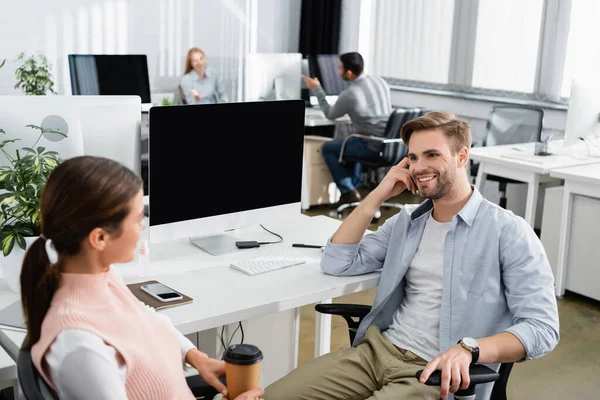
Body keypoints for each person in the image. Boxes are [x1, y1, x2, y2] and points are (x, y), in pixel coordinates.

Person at [263, 112, 559, 400]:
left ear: (462, 157)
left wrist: (470, 348)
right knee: (272, 396)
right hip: (376, 353)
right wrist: (377, 195)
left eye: (432, 155)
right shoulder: (405, 222)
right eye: (413, 157)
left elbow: (543, 328)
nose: (419, 167)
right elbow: (338, 261)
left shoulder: (507, 231)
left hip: (434, 372)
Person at [20, 155, 263, 400]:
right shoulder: (80, 347)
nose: (143, 226)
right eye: (137, 219)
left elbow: (145, 317)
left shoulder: (102, 275)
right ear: (99, 238)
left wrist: (196, 357)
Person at [302, 52, 392, 206]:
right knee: (350, 140)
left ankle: (348, 191)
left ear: (349, 73)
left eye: (340, 69)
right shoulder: (380, 81)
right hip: (391, 145)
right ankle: (352, 189)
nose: (337, 72)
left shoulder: (351, 94)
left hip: (372, 146)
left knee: (328, 148)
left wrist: (316, 89)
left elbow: (330, 114)